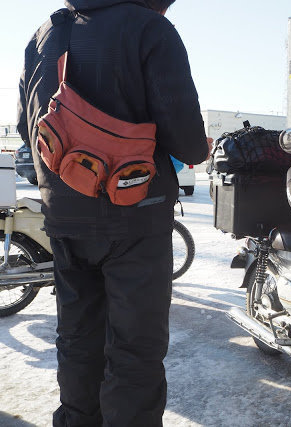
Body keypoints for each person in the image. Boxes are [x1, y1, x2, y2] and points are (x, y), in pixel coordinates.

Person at [17, 0, 209, 425]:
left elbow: (25, 125)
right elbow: (190, 143)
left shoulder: (45, 34)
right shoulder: (150, 30)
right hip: (136, 216)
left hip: (64, 217)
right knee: (134, 351)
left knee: (77, 340)